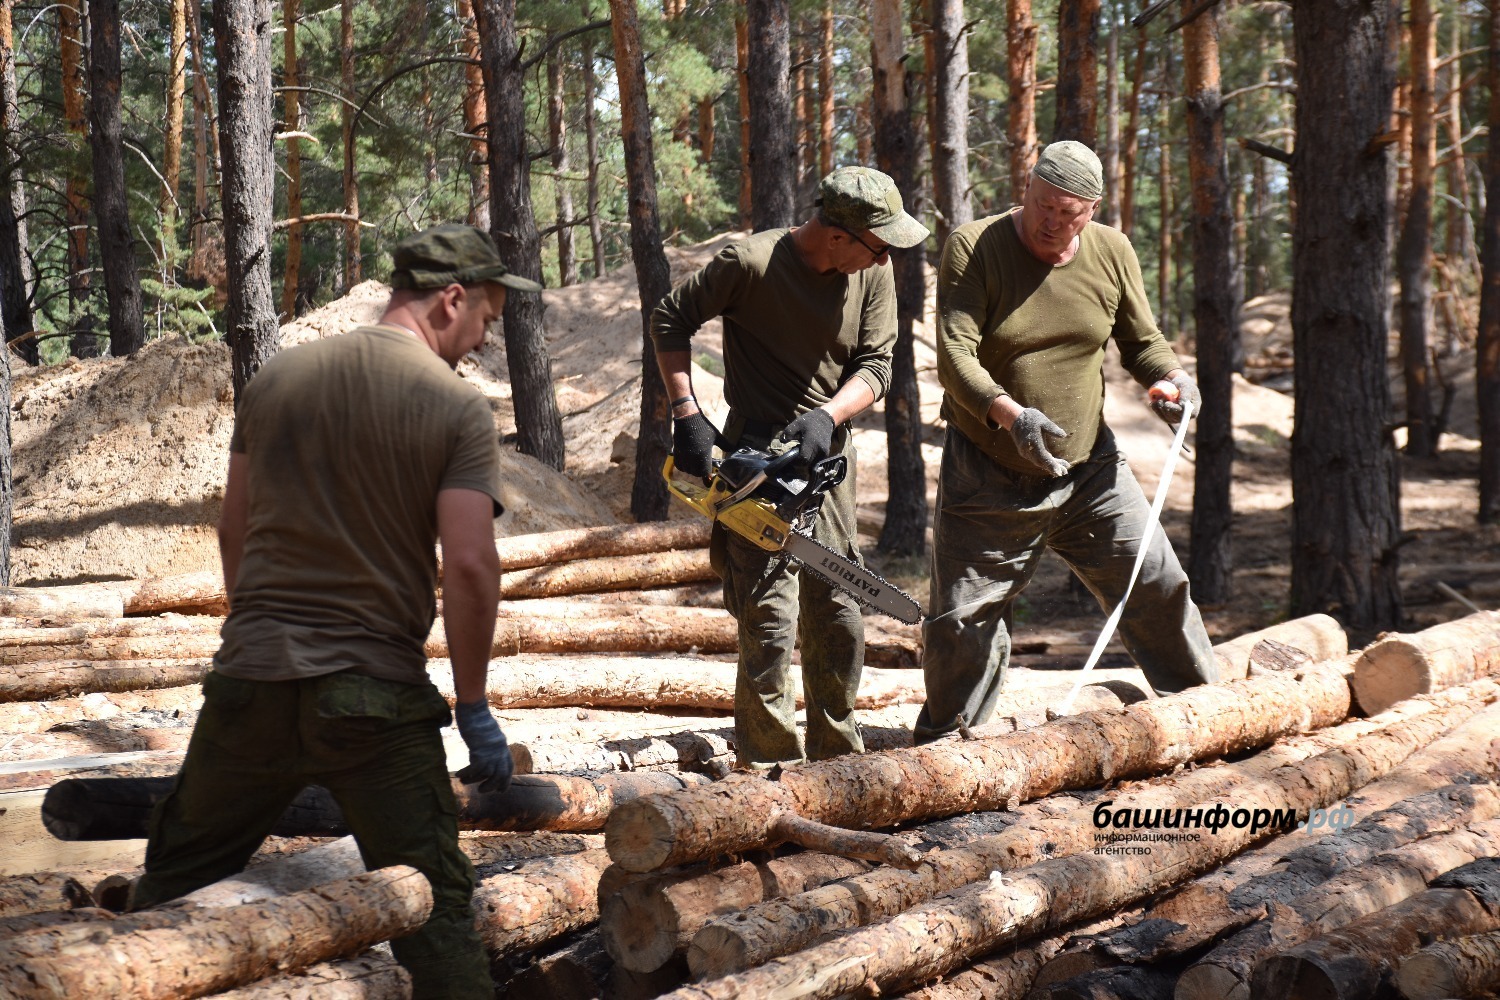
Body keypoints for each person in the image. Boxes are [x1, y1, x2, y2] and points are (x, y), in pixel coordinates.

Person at [129, 224, 539, 999]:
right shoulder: (455, 407)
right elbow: (470, 564)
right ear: (451, 300)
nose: (484, 339)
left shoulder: (277, 378)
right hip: (372, 699)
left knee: (173, 890)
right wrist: (475, 705)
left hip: (249, 685)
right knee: (433, 913)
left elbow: (233, 528)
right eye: (486, 317)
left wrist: (257, 636)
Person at [915, 140, 1217, 745]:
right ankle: (946, 755)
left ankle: (1211, 717)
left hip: (1090, 472)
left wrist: (1173, 380)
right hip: (989, 472)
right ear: (1026, 189)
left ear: (1092, 210)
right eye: (1043, 205)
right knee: (962, 625)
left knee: (1157, 583)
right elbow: (955, 355)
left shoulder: (1112, 251)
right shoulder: (975, 246)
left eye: (1069, 212)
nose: (1051, 222)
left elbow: (1143, 342)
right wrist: (1012, 417)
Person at [651, 166, 929, 767]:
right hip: (756, 451)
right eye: (878, 244)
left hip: (825, 454)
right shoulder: (750, 263)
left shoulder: (872, 270)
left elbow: (877, 365)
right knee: (769, 620)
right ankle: (769, 767)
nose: (886, 257)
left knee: (839, 611)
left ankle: (840, 762)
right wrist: (687, 414)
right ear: (837, 235)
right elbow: (671, 318)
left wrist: (829, 416)